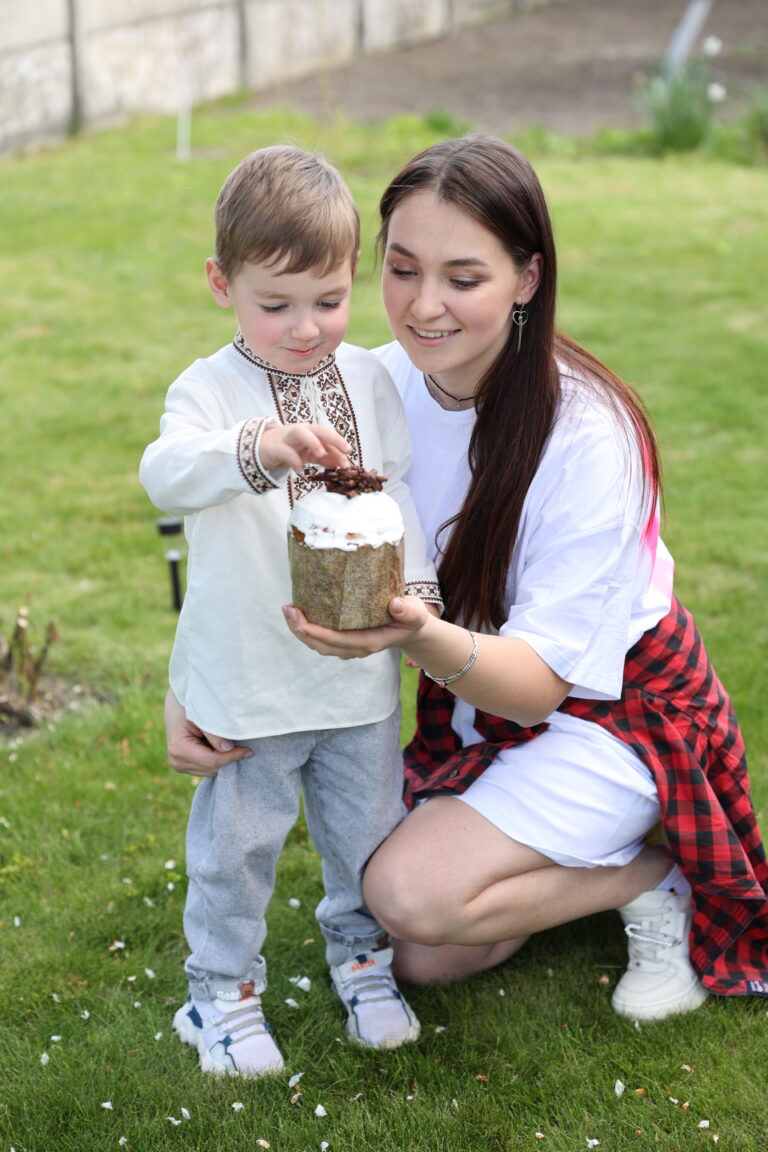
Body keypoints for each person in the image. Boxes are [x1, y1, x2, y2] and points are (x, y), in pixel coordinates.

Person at [168, 136, 768, 1024]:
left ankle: (657, 866)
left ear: (527, 278)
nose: (424, 306)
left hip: (612, 709)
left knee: (408, 894)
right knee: (420, 953)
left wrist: (411, 632)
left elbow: (537, 691)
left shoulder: (590, 435)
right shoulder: (370, 386)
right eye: (402, 269)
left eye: (464, 277)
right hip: (468, 690)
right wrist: (194, 687)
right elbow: (253, 537)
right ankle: (579, 871)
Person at [140, 145, 442, 1079]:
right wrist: (258, 445)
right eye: (276, 305)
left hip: (355, 682)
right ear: (220, 284)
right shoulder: (210, 392)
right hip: (248, 680)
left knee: (367, 837)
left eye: (328, 300)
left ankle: (362, 962)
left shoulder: (370, 381)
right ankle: (220, 995)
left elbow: (398, 502)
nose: (306, 329)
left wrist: (418, 595)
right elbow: (164, 472)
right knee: (237, 850)